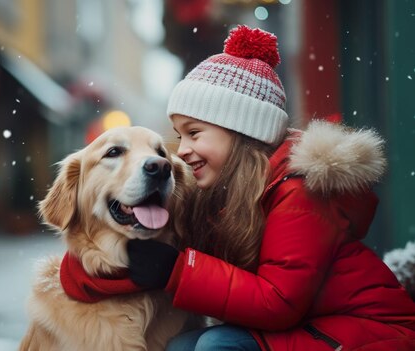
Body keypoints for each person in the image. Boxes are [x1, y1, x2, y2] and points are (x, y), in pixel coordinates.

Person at [61, 25, 415, 350]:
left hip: (370, 335)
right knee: (181, 347)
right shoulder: (222, 195)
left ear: (240, 132)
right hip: (312, 327)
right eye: (180, 136)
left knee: (217, 346)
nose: (180, 151)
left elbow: (278, 303)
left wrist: (178, 271)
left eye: (194, 133)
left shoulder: (300, 194)